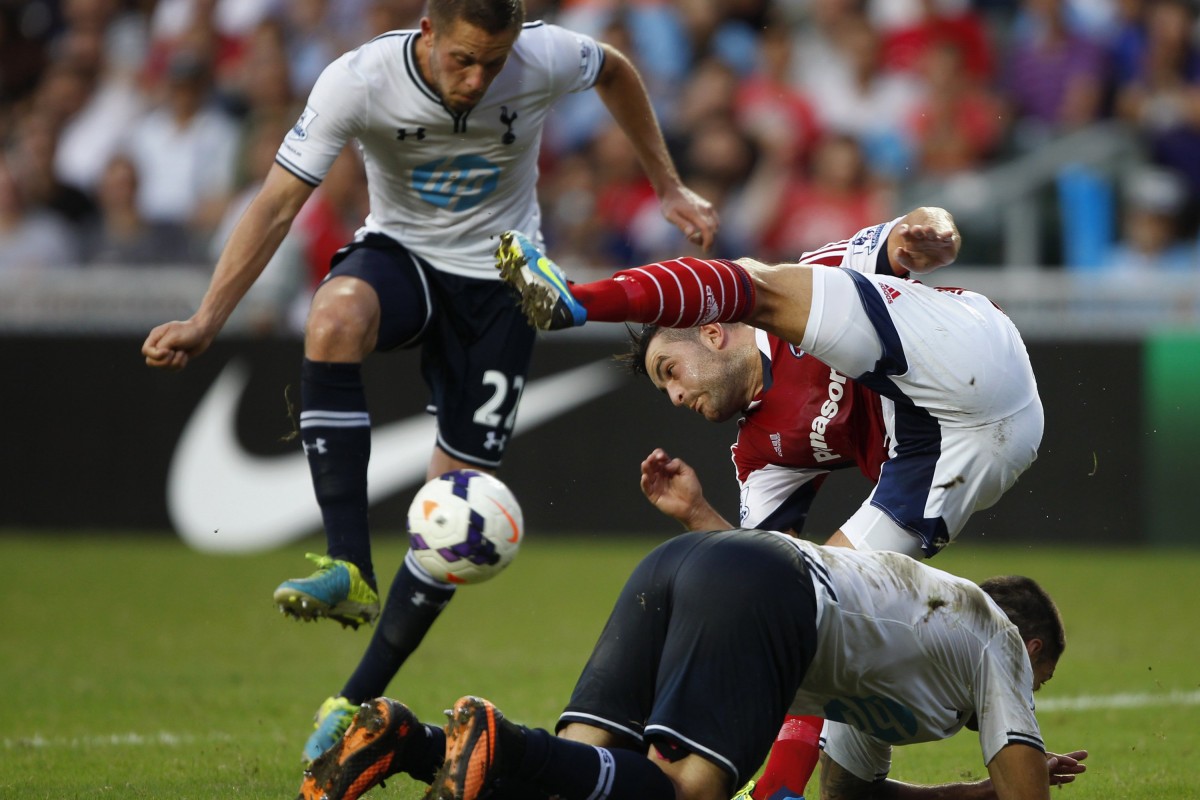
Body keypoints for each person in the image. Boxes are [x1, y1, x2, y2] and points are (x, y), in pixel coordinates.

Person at [141, 0, 717, 763]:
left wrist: (667, 184)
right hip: (403, 254)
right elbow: (280, 199)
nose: (478, 79)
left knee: (452, 521)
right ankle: (347, 565)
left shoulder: (542, 56)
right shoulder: (360, 78)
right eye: (462, 61)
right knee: (335, 315)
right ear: (428, 33)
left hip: (504, 285)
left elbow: (614, 69)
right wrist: (208, 316)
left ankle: (351, 701)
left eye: (493, 63)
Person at [495, 206, 1044, 800]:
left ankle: (577, 300)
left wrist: (932, 232)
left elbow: (923, 227)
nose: (676, 395)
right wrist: (696, 516)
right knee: (817, 612)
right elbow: (768, 578)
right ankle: (776, 793)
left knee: (755, 282)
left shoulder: (807, 280)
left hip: (976, 361)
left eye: (670, 370)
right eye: (665, 389)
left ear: (711, 331)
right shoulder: (759, 454)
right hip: (945, 458)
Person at [296, 529, 1088, 800]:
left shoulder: (913, 653)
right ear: (1036, 653)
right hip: (772, 587)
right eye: (1038, 685)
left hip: (680, 565)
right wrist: (1011, 778)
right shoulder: (997, 639)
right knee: (691, 791)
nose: (1024, 698)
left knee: (587, 775)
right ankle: (498, 739)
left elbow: (852, 795)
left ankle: (407, 742)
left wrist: (973, 787)